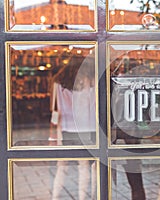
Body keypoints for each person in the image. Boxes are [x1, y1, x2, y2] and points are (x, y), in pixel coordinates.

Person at [51, 55, 97, 200]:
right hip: (89, 129)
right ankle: (84, 197)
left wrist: (55, 134)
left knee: (62, 167)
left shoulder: (58, 83)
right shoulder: (91, 81)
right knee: (86, 167)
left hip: (67, 130)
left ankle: (55, 196)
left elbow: (55, 111)